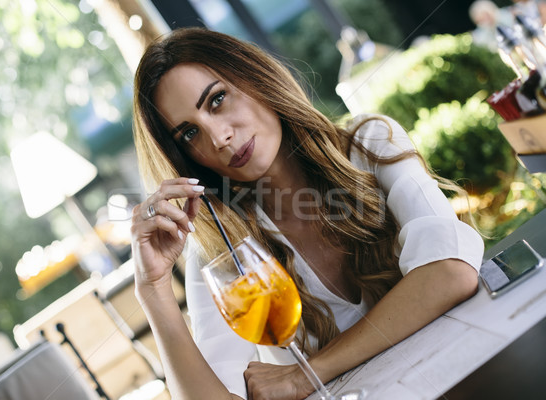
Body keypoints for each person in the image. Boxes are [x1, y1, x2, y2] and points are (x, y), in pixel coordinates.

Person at [130, 27, 483, 400]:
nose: (218, 138)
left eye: (217, 99)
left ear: (256, 77)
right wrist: (153, 291)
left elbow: (451, 271)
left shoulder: (370, 145)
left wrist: (304, 377)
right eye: (189, 134)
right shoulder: (220, 253)